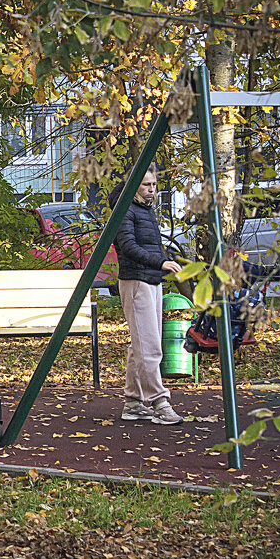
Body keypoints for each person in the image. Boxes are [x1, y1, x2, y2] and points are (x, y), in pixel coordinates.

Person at [110, 172, 183, 425]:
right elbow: (128, 247)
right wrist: (161, 261)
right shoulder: (125, 210)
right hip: (135, 281)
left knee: (139, 345)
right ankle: (160, 401)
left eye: (153, 184)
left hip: (152, 279)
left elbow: (151, 246)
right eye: (146, 185)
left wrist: (164, 261)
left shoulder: (145, 210)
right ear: (134, 186)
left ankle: (133, 401)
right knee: (149, 346)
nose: (151, 189)